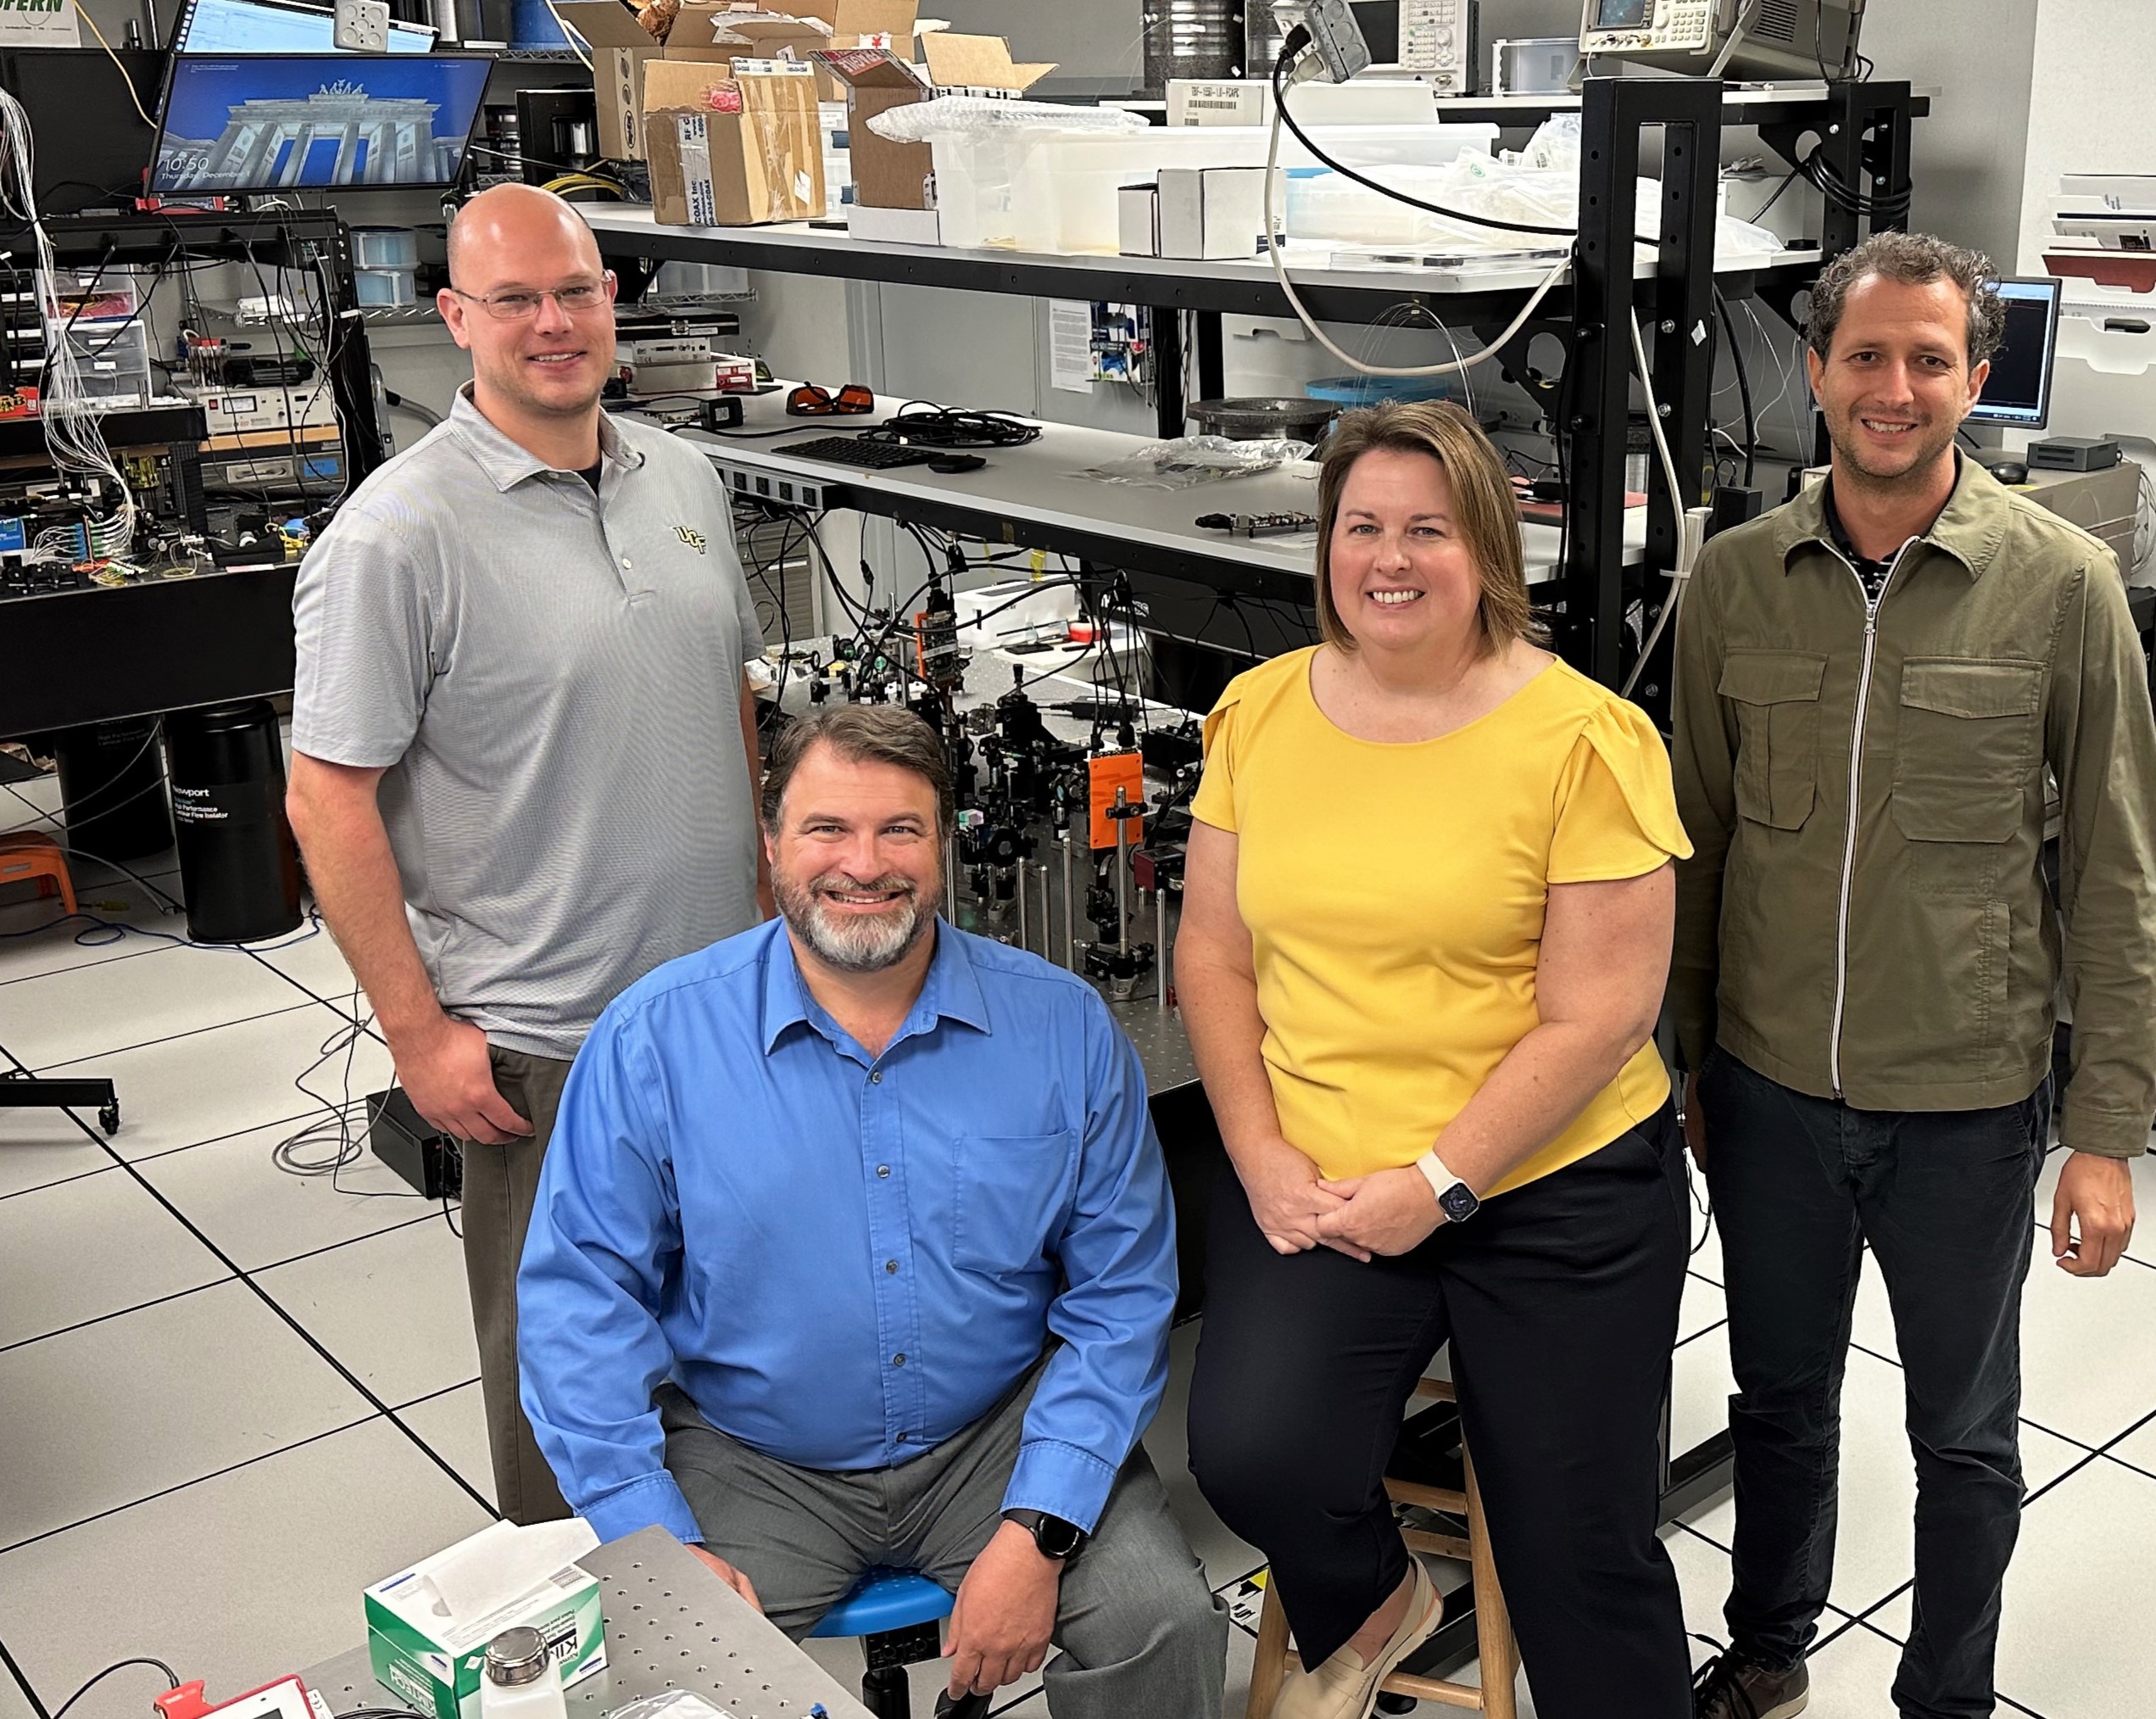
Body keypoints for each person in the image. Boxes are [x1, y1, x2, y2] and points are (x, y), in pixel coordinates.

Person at [1669, 232, 2156, 1719]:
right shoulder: (1736, 580)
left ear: (1976, 374)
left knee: (1961, 1434)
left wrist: (2107, 1135)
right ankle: (1766, 1648)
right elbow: (1693, 845)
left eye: (1929, 360)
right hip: (1767, 1093)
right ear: (1816, 371)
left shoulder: (2061, 589)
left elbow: (2117, 879)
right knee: (1777, 1405)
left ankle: (1945, 1694)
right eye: (1866, 357)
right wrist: (1687, 1061)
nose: (1895, 391)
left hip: (1966, 1101)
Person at [516, 706, 1227, 1717]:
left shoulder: (1062, 1028)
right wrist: (658, 1541)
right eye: (826, 829)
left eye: (900, 829)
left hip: (998, 1434)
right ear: (770, 847)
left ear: (944, 842)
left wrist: (1037, 1531)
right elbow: (577, 1307)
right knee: (644, 1680)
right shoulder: (652, 1040)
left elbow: (1122, 1298)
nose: (865, 863)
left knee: (1162, 1622)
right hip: (751, 1452)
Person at [1178, 400, 1697, 1719]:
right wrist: (1257, 1152)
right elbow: (1215, 956)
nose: (1389, 558)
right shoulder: (1256, 714)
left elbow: (1602, 1014)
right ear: (1327, 545)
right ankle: (1376, 1599)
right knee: (1254, 1453)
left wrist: (1442, 1177)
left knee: (1572, 1539)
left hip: (1549, 1175)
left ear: (1488, 552)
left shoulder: (1583, 737)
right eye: (1362, 526)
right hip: (1330, 1166)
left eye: (1427, 528)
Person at [285, 183, 770, 1525]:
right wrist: (414, 1029)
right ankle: (597, 1629)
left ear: (614, 296)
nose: (553, 323)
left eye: (577, 289)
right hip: (547, 1037)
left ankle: (742, 1594)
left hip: (726, 1005)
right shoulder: (393, 538)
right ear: (455, 319)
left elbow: (719, 691)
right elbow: (327, 801)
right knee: (570, 1380)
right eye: (514, 299)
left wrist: (771, 900)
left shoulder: (685, 476)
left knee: (735, 1331)